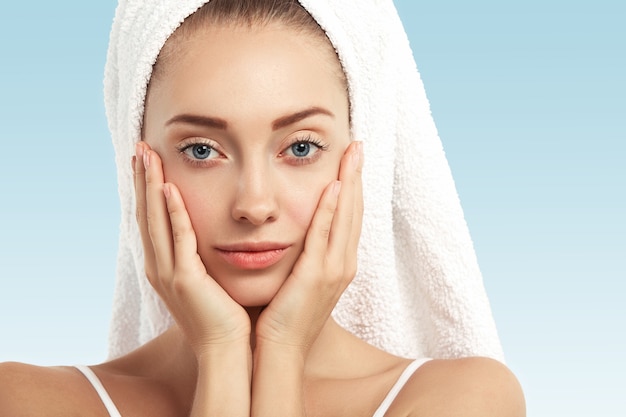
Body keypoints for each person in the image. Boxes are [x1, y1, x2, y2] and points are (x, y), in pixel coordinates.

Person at [0, 0, 525, 416]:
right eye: (201, 151)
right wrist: (220, 350)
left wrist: (283, 348)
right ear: (136, 164)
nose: (253, 205)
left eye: (300, 148)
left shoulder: (461, 399)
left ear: (363, 159)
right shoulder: (27, 401)